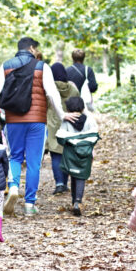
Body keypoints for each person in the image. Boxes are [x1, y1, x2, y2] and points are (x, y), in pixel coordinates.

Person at [0, 37, 77, 217]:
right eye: (35, 48)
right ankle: (29, 204)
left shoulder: (6, 65)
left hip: (13, 120)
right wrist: (62, 115)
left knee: (14, 157)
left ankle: (13, 188)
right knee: (34, 163)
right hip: (37, 120)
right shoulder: (42, 66)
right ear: (31, 48)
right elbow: (52, 94)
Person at [56, 96, 99, 216]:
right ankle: (78, 201)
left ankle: (74, 201)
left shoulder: (67, 120)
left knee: (73, 174)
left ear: (68, 108)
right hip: (85, 152)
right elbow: (95, 134)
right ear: (82, 108)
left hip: (71, 153)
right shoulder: (89, 119)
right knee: (81, 176)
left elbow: (61, 136)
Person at [45, 63, 79, 196]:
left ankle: (60, 183)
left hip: (53, 124)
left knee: (56, 154)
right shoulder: (72, 89)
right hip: (70, 124)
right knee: (67, 153)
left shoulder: (49, 89)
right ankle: (67, 182)